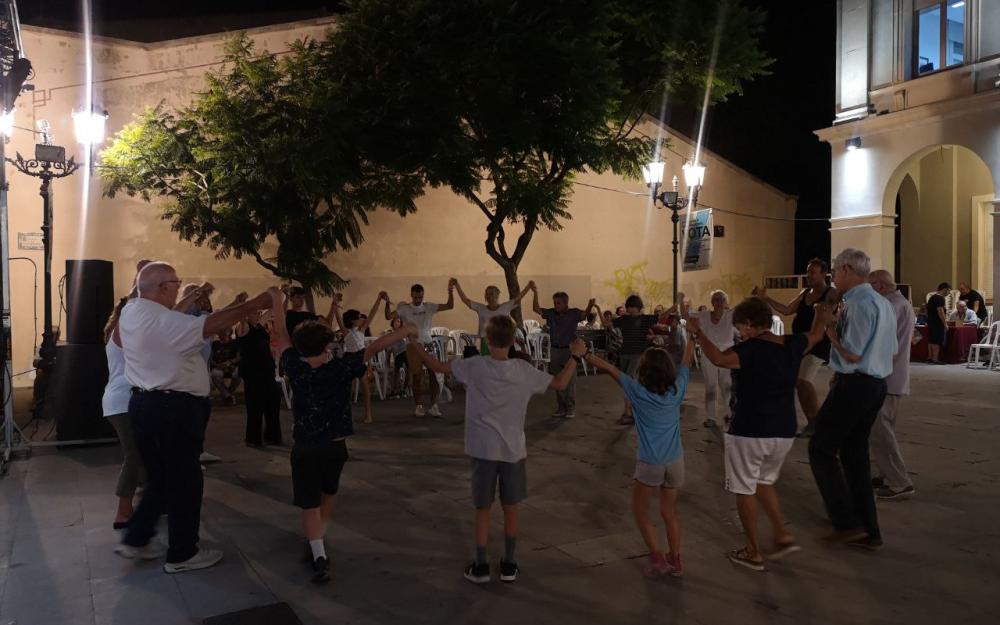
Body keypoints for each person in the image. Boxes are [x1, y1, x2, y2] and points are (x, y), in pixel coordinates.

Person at [116, 262, 272, 573]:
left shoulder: (134, 310)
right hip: (173, 409)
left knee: (160, 479)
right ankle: (182, 553)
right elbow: (209, 326)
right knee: (186, 481)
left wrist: (194, 296)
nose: (179, 286)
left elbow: (174, 314)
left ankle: (136, 538)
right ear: (162, 288)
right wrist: (255, 304)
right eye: (176, 283)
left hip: (144, 406)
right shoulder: (164, 323)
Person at [415, 315, 583, 584]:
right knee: (511, 508)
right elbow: (560, 383)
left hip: (482, 449)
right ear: (513, 340)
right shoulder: (523, 370)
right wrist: (575, 357)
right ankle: (509, 564)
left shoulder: (475, 366)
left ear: (488, 340)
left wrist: (414, 343)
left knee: (482, 509)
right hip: (513, 450)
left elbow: (435, 365)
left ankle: (481, 565)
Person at [270, 289, 418, 584]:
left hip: (305, 448)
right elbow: (375, 348)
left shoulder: (294, 366)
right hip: (335, 447)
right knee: (329, 492)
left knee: (308, 503)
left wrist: (276, 300)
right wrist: (408, 329)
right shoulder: (341, 368)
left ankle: (318, 552)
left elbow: (280, 332)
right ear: (327, 345)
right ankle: (319, 539)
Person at [689, 297, 830, 572]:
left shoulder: (749, 349)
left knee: (744, 490)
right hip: (784, 430)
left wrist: (697, 333)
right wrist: (821, 317)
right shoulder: (791, 344)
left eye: (741, 327)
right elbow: (815, 335)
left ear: (752, 325)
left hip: (750, 430)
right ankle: (782, 534)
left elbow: (718, 359)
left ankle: (753, 551)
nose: (740, 332)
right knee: (764, 482)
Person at [583, 337, 695, 578]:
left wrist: (585, 356)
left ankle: (657, 558)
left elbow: (611, 369)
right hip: (676, 461)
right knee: (670, 513)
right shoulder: (677, 390)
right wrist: (692, 339)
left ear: (643, 371)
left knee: (640, 511)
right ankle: (675, 561)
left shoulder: (637, 392)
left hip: (650, 462)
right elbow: (686, 362)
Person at [808, 249, 897, 552]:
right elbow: (891, 348)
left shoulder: (859, 303)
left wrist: (828, 326)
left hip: (856, 384)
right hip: (874, 385)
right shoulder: (882, 303)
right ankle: (869, 530)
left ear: (846, 269)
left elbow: (852, 352)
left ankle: (847, 523)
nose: (833, 274)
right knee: (854, 455)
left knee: (820, 447)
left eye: (834, 269)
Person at [754, 258, 838, 437]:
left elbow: (833, 313)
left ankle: (817, 422)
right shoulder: (805, 293)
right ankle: (812, 421)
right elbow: (786, 310)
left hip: (818, 343)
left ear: (824, 274)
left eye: (813, 272)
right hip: (801, 343)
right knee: (798, 382)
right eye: (808, 271)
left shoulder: (831, 293)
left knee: (803, 380)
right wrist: (765, 298)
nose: (809, 275)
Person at [867, 270, 916, 500]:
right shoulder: (898, 302)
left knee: (881, 431)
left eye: (870, 285)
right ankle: (888, 475)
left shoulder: (891, 305)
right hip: (892, 375)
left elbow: (883, 342)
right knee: (882, 429)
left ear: (880, 285)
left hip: (887, 376)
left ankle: (899, 482)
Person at [103, 296, 146, 531]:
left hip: (123, 401)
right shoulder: (122, 331)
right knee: (134, 455)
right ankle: (123, 510)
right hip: (122, 403)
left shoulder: (120, 329)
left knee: (145, 451)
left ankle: (151, 498)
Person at [388, 282, 455, 417]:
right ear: (411, 296)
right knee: (417, 375)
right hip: (413, 345)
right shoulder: (405, 309)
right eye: (416, 298)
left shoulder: (429, 306)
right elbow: (389, 316)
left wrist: (450, 292)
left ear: (423, 295)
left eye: (420, 297)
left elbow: (449, 306)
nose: (418, 300)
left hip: (428, 343)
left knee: (433, 373)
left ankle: (434, 405)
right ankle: (418, 405)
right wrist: (386, 302)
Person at [530, 285, 596, 418]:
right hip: (555, 349)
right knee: (557, 379)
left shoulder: (573, 313)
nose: (556, 305)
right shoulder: (551, 313)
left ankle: (570, 407)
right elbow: (536, 309)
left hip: (568, 350)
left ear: (566, 303)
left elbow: (584, 315)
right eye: (554, 303)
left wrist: (589, 306)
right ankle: (561, 407)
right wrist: (535, 292)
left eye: (558, 303)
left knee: (570, 380)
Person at [597, 295, 659, 425]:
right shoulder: (624, 319)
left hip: (637, 355)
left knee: (628, 383)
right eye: (629, 307)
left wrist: (677, 305)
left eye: (633, 307)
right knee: (628, 384)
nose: (630, 310)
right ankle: (634, 410)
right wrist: (597, 308)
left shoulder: (644, 319)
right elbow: (606, 324)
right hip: (624, 354)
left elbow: (662, 315)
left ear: (638, 308)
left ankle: (628, 413)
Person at [685, 290, 738, 429]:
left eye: (721, 299)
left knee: (727, 386)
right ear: (712, 302)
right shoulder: (703, 315)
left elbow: (747, 310)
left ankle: (729, 415)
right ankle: (711, 418)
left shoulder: (731, 315)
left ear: (725, 302)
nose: (719, 302)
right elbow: (686, 316)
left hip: (727, 354)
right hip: (708, 355)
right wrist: (680, 302)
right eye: (716, 299)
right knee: (710, 386)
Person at [334, 292, 388, 423]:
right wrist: (335, 302)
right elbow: (338, 317)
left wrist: (378, 299)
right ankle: (344, 414)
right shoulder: (346, 332)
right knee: (346, 388)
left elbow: (371, 315)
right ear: (353, 321)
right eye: (359, 318)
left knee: (365, 387)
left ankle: (368, 414)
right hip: (350, 359)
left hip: (360, 358)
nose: (362, 319)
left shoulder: (361, 330)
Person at [236, 309, 283, 447]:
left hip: (267, 369)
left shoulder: (259, 326)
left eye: (258, 313)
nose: (258, 315)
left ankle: (272, 436)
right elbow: (241, 317)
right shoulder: (243, 327)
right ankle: (253, 438)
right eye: (254, 312)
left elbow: (271, 310)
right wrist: (245, 306)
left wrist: (280, 294)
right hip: (252, 371)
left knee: (273, 402)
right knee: (255, 405)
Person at [452, 279, 532, 355]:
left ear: (497, 295)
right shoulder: (481, 308)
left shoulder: (505, 307)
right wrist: (457, 285)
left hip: (502, 340)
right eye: (486, 294)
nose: (488, 296)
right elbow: (465, 300)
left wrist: (528, 287)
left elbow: (518, 298)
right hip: (486, 341)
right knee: (487, 365)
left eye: (491, 294)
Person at [208, 329, 241, 405]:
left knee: (238, 374)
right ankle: (228, 395)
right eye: (222, 332)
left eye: (226, 331)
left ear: (230, 332)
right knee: (215, 374)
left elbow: (239, 357)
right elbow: (211, 358)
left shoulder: (235, 343)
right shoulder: (215, 344)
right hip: (218, 366)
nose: (223, 334)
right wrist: (217, 365)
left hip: (232, 366)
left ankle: (227, 393)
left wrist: (229, 362)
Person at [925, 283, 949, 364]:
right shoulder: (940, 298)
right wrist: (945, 323)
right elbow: (940, 311)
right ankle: (935, 358)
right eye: (949, 290)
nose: (949, 293)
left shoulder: (932, 297)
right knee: (937, 340)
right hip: (937, 322)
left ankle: (930, 357)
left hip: (930, 321)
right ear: (945, 289)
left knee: (931, 340)